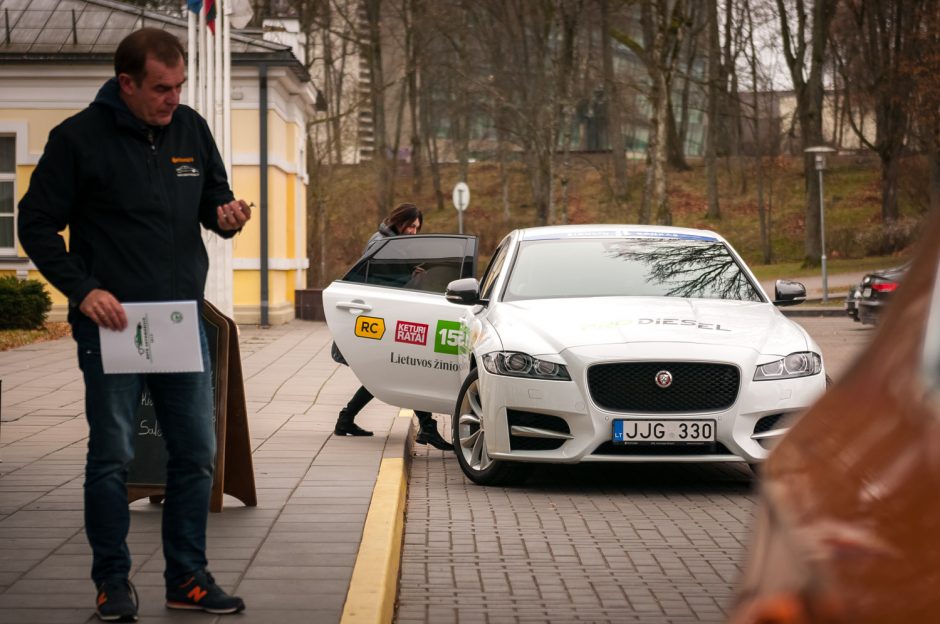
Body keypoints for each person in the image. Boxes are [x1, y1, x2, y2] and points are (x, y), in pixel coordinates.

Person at [17, 28, 249, 622]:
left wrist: (227, 216)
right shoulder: (77, 140)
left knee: (196, 453)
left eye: (178, 87)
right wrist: (83, 289)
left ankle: (187, 579)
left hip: (178, 320)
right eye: (160, 89)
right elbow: (36, 223)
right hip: (113, 325)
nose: (172, 100)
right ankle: (112, 583)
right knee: (113, 457)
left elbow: (214, 203)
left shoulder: (191, 129)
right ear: (126, 84)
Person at [333, 203, 455, 451]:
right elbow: (384, 283)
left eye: (416, 228)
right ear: (399, 221)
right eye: (410, 226)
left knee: (384, 371)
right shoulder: (382, 244)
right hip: (383, 318)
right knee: (402, 371)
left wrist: (412, 272)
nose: (413, 231)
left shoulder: (388, 242)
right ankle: (427, 427)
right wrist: (414, 277)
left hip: (385, 316)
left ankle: (346, 419)